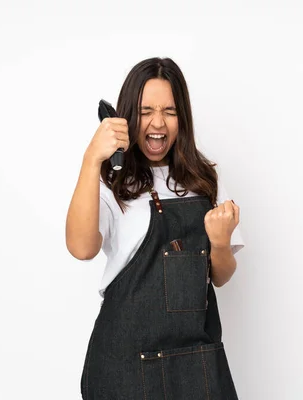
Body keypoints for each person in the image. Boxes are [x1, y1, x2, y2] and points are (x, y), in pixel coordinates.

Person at [65, 57, 245, 399]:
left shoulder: (203, 180)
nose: (158, 122)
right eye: (146, 111)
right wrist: (92, 159)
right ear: (127, 116)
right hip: (125, 364)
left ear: (183, 117)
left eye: (170, 111)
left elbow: (220, 276)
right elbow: (81, 247)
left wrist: (220, 245)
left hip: (194, 361)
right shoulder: (110, 180)